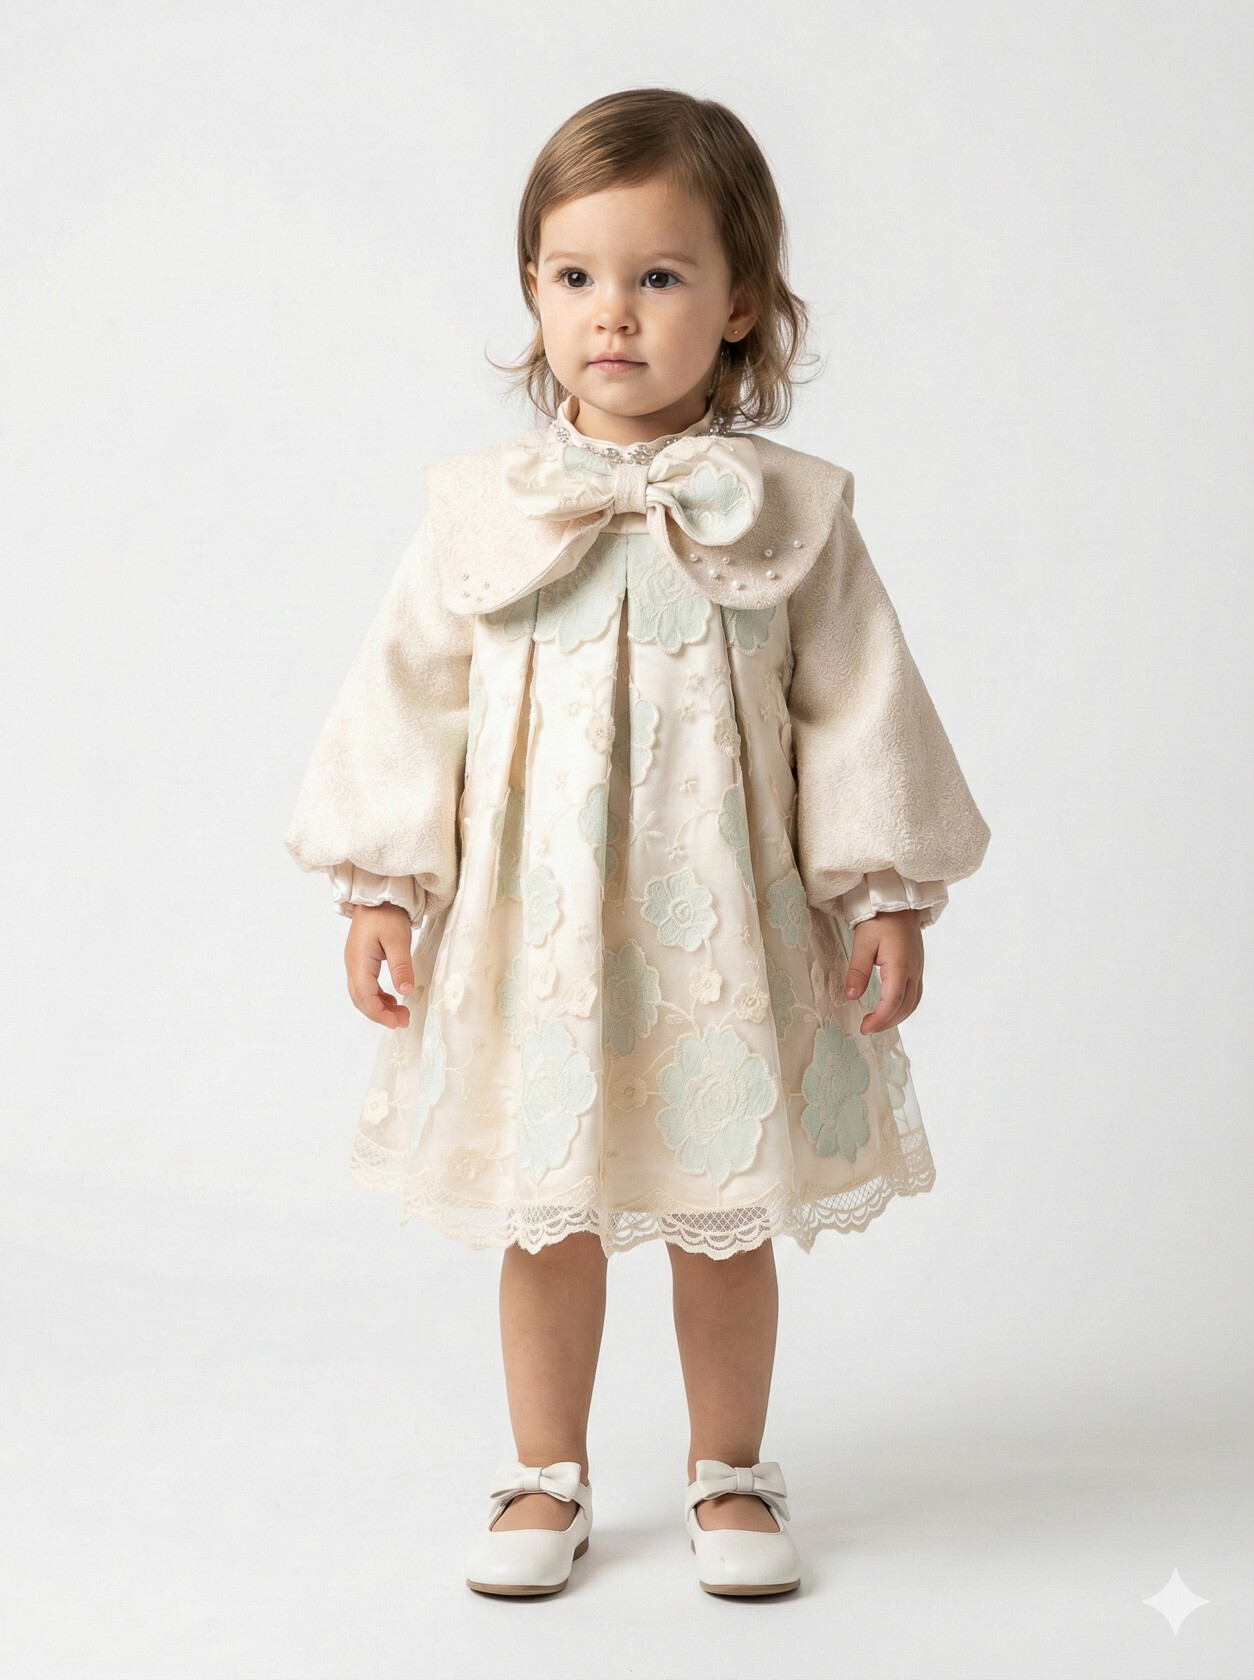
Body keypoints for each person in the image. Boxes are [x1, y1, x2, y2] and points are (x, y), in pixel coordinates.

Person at [285, 87, 990, 1599]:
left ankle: (729, 1468)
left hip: (720, 931)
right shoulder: (481, 511)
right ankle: (544, 1473)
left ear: (740, 304)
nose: (612, 312)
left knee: (722, 1215)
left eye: (658, 275)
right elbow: (411, 697)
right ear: (533, 291)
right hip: (536, 938)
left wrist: (882, 892)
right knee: (546, 1214)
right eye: (575, 275)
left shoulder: (788, 513)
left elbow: (856, 709)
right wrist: (381, 886)